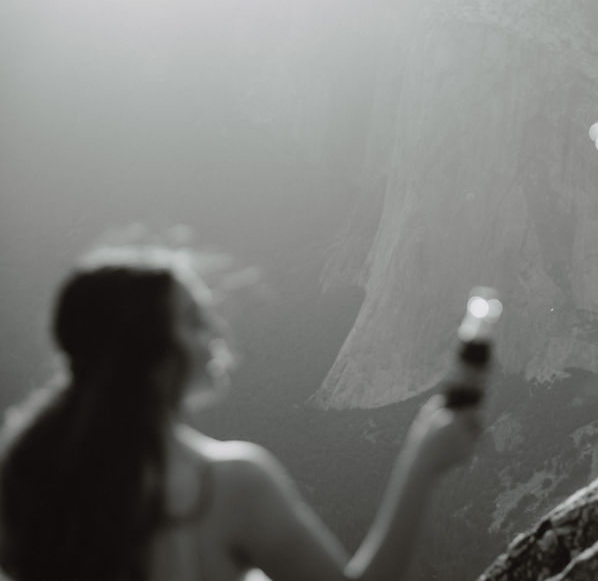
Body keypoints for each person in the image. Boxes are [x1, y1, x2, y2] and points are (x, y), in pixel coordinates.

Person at [0, 246, 480, 581]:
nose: (216, 330)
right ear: (150, 356)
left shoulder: (28, 472)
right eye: (193, 320)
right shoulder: (230, 484)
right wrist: (422, 464)